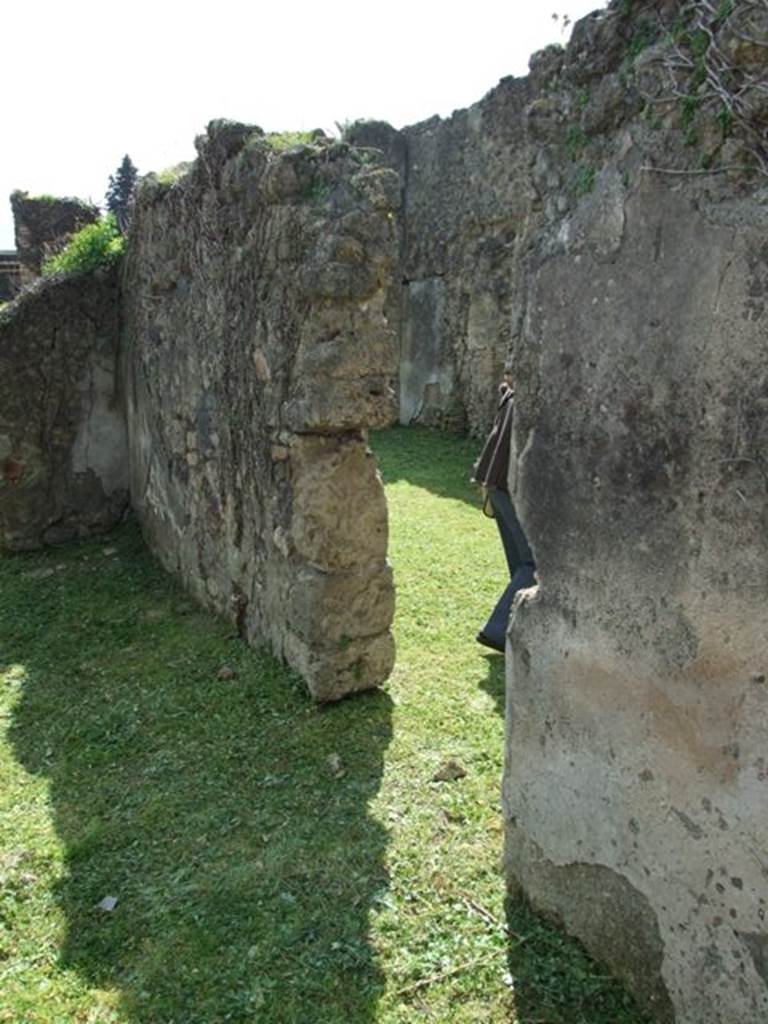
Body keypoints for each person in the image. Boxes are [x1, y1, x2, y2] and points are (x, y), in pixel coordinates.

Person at [472, 376, 535, 653]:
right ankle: (498, 630)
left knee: (520, 562)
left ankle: (519, 625)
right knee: (534, 562)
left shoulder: (512, 394)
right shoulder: (527, 396)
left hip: (495, 484)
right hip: (508, 487)